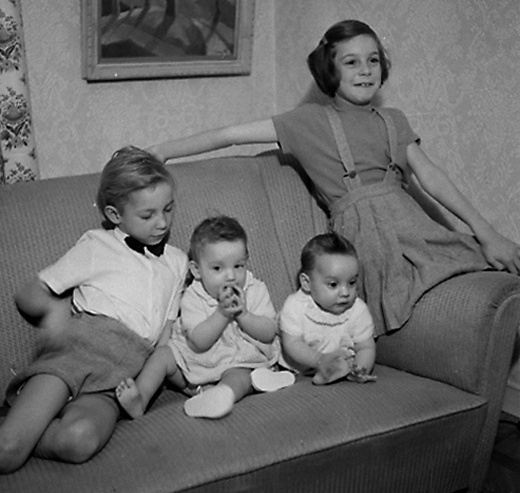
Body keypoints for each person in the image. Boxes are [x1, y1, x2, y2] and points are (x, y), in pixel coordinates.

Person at [147, 18, 520, 335]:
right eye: (351, 62)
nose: (365, 70)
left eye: (373, 60)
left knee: (483, 259)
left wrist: (488, 233)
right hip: (363, 239)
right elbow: (229, 134)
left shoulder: (394, 120)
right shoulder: (308, 122)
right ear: (330, 70)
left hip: (412, 227)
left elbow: (431, 177)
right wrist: (163, 150)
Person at [0, 146, 188, 474]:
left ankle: (22, 427)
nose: (162, 223)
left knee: (78, 441)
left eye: (168, 209)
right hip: (74, 355)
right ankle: (17, 434)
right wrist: (52, 310)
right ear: (115, 215)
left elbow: (165, 335)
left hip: (116, 383)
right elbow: (28, 293)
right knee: (8, 452)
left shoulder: (177, 261)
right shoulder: (97, 245)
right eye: (147, 215)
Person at [116, 215, 293, 420]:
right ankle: (140, 398)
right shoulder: (193, 296)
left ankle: (222, 394)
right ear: (196, 270)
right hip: (195, 365)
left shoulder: (254, 289)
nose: (231, 276)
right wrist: (222, 314)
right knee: (162, 356)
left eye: (238, 266)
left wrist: (243, 314)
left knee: (239, 375)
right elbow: (199, 342)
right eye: (218, 268)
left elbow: (269, 333)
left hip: (237, 361)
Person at [279, 232, 376, 386]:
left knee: (346, 362)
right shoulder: (295, 306)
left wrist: (361, 369)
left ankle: (337, 371)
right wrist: (319, 360)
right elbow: (292, 344)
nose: (345, 292)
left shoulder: (357, 310)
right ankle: (326, 371)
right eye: (333, 284)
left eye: (351, 282)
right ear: (306, 283)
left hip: (343, 363)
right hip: (301, 366)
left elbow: (366, 346)